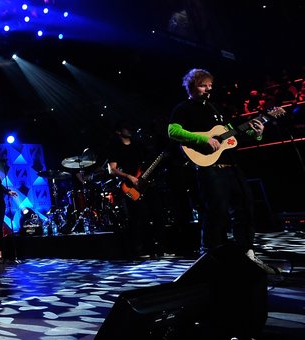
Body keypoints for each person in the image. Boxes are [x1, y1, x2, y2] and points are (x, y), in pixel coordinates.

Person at [167, 68, 276, 274]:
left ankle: (247, 253)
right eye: (202, 85)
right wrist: (203, 139)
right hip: (210, 169)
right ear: (191, 87)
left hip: (231, 167)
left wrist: (256, 133)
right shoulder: (184, 108)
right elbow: (173, 131)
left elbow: (232, 137)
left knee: (245, 207)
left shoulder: (216, 108)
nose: (208, 89)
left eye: (210, 86)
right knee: (216, 212)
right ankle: (210, 258)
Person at [105, 121, 162, 258]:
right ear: (119, 132)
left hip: (145, 183)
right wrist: (129, 177)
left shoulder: (138, 145)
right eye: (126, 128)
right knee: (137, 218)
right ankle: (137, 251)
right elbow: (112, 170)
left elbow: (147, 162)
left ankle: (156, 249)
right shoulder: (115, 148)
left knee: (156, 214)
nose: (129, 130)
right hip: (129, 186)